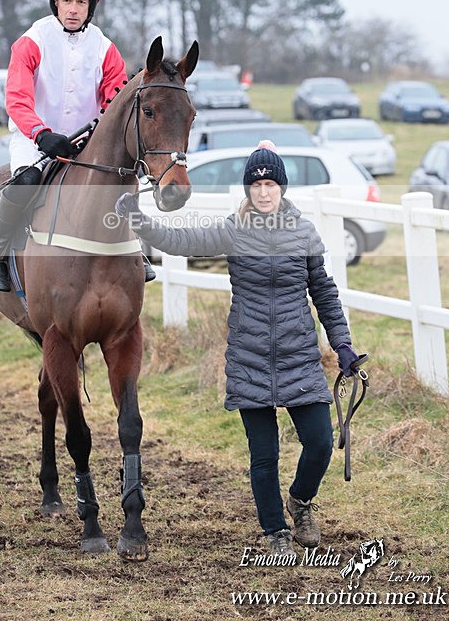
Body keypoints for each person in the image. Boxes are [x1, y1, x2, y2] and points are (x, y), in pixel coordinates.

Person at [114, 140, 362, 555]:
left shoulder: (303, 232)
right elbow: (180, 240)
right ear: (248, 189)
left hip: (299, 356)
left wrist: (343, 344)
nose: (264, 191)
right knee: (263, 456)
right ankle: (275, 531)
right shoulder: (233, 229)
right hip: (249, 358)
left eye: (271, 184)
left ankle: (300, 502)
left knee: (319, 443)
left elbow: (324, 292)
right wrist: (139, 220)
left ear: (282, 188)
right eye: (256, 184)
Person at [0, 0, 155, 291]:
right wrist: (41, 134)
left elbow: (115, 98)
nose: (73, 9)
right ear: (55, 3)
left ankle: (133, 246)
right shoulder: (31, 41)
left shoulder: (105, 47)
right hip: (35, 140)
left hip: (86, 141)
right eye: (66, 1)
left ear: (90, 7)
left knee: (121, 180)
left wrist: (101, 130)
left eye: (80, 1)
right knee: (27, 181)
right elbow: (17, 98)